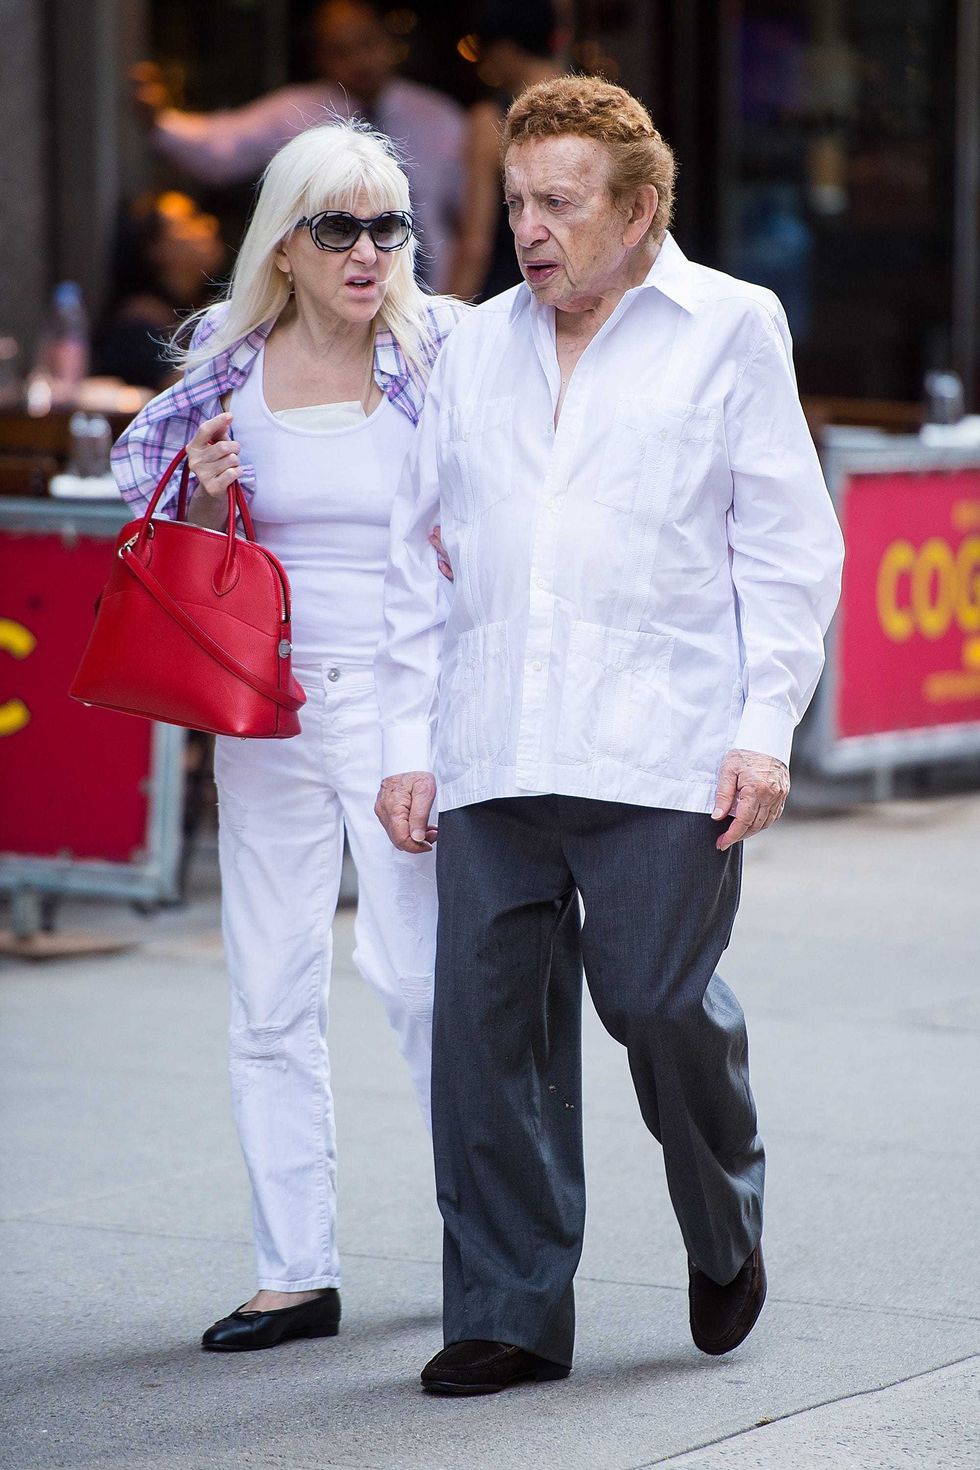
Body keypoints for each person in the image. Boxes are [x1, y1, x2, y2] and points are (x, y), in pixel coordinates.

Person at [374, 75, 845, 1394]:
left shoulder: (731, 327)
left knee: (652, 997)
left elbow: (789, 552)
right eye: (518, 200)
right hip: (490, 734)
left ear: (639, 210)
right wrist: (407, 738)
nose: (531, 226)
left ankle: (721, 1211)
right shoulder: (467, 345)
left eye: (561, 203)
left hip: (662, 737)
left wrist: (766, 730)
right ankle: (511, 1309)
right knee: (486, 1028)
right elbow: (418, 556)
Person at [111, 121, 465, 1352]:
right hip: (260, 699)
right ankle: (292, 1271)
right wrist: (207, 483)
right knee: (268, 985)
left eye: (389, 228)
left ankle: (479, 1248)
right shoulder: (227, 359)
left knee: (419, 980)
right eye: (339, 229)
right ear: (288, 242)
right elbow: (173, 514)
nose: (369, 253)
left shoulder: (441, 348)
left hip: (400, 700)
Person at [131, 0, 464, 289]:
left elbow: (470, 217)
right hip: (336, 295)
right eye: (341, 51)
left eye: (367, 43)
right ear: (321, 58)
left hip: (432, 290)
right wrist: (161, 122)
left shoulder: (439, 116)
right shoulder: (295, 112)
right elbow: (224, 146)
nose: (360, 60)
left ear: (389, 42)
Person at [448, 0, 563, 301]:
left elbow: (476, 244)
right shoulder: (596, 114)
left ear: (504, 47)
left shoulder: (491, 122)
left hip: (511, 292)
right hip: (580, 289)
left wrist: (446, 324)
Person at [94, 190, 225, 391]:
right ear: (156, 250)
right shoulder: (138, 326)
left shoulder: (203, 309)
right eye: (189, 221)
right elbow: (186, 395)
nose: (209, 224)